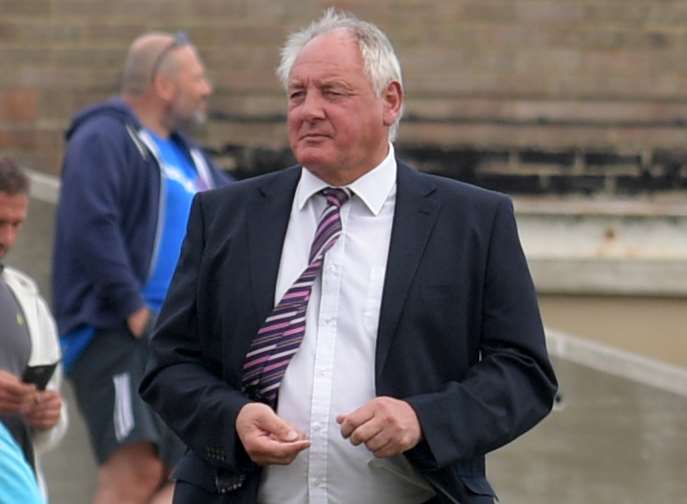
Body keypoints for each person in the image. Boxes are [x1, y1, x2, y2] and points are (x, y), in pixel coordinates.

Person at [140, 9, 558, 504]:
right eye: (297, 94)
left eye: (332, 93)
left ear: (390, 101)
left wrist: (423, 419)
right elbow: (169, 365)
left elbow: (523, 373)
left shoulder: (472, 221)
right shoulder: (223, 216)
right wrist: (231, 418)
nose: (308, 110)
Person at [52, 31, 233, 504]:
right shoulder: (105, 137)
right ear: (164, 85)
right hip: (115, 332)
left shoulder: (192, 157)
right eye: (198, 78)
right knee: (134, 471)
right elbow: (91, 223)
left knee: (180, 479)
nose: (207, 89)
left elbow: (243, 211)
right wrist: (132, 308)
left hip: (172, 342)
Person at [0, 157, 67, 502]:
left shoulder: (29, 299)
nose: (6, 238)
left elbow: (50, 419)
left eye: (16, 224)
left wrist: (48, 415)